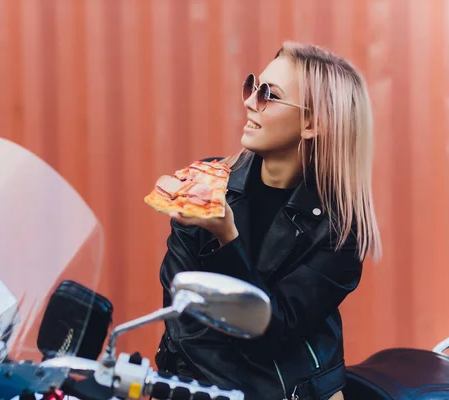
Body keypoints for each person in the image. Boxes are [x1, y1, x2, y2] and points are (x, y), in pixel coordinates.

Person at [155, 41, 382, 400]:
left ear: (312, 124)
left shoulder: (342, 230)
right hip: (197, 387)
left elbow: (273, 328)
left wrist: (226, 237)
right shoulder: (208, 185)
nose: (248, 101)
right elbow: (182, 314)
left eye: (268, 95)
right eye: (252, 85)